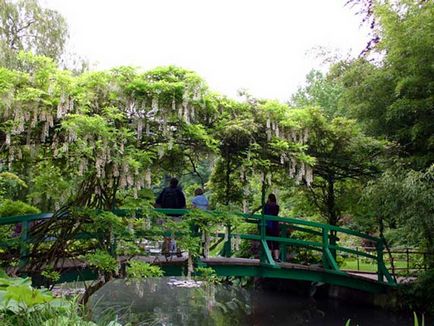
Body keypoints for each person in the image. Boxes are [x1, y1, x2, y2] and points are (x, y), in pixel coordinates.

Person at [155, 177, 186, 257]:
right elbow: (183, 205)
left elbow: (158, 202)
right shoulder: (179, 192)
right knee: (178, 233)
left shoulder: (165, 190)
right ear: (177, 183)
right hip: (177, 215)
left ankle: (166, 250)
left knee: (167, 233)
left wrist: (160, 214)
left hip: (166, 215)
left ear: (170, 183)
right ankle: (179, 251)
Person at [264, 193, 280, 262]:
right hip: (275, 226)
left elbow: (264, 213)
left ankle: (269, 258)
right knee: (275, 242)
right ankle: (276, 258)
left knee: (268, 242)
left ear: (269, 199)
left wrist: (266, 204)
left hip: (268, 226)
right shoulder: (277, 206)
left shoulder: (267, 206)